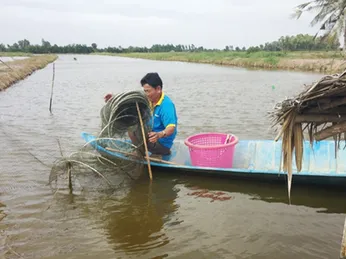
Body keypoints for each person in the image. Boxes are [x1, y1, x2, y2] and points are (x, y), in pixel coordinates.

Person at [105, 72, 178, 156]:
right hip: (149, 135)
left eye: (148, 91)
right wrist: (114, 99)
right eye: (144, 91)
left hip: (161, 142)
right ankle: (141, 150)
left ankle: (155, 152)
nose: (145, 94)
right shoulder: (149, 99)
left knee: (136, 132)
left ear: (158, 89)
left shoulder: (166, 105)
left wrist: (159, 135)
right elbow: (130, 101)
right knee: (131, 126)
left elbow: (171, 128)